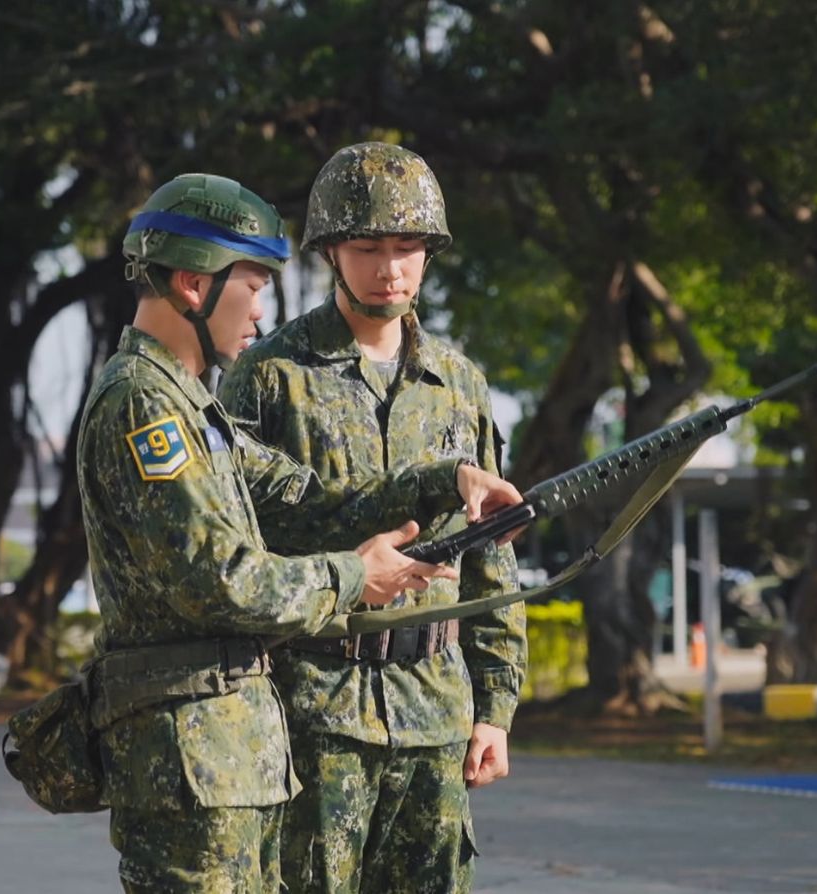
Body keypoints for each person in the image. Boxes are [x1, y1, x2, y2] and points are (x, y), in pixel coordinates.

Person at [78, 172, 521, 892]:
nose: (261, 308)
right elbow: (221, 579)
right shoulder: (149, 406)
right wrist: (355, 575)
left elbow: (300, 494)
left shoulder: (191, 406)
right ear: (195, 286)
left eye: (409, 247)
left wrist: (446, 481)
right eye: (252, 284)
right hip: (200, 742)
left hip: (252, 741)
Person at [219, 142, 526, 893]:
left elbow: (493, 561)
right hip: (318, 706)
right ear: (330, 251)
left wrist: (496, 707)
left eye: (408, 248)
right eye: (368, 248)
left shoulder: (457, 383)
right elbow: (243, 530)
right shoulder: (270, 375)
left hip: (436, 710)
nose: (390, 268)